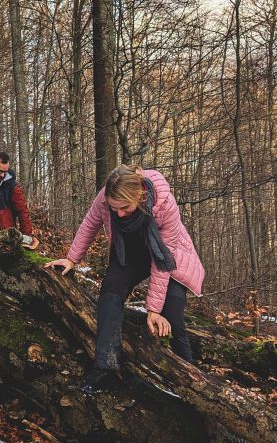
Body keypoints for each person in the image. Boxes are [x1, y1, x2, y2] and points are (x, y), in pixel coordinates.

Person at [44, 165, 204, 393]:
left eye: (125, 208)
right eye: (113, 208)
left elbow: (162, 260)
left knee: (173, 313)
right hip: (130, 252)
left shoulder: (164, 205)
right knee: (110, 292)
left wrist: (153, 309)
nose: (118, 213)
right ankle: (105, 368)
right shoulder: (105, 198)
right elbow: (90, 223)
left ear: (139, 196)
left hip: (167, 257)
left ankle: (192, 381)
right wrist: (72, 258)